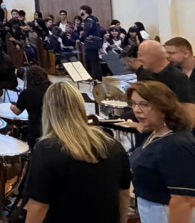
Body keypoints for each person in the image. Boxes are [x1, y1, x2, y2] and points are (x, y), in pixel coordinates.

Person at [23, 82, 130, 223]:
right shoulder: (113, 145)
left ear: (48, 110)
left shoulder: (46, 149)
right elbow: (124, 193)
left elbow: (38, 206)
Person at [127, 81, 195, 223]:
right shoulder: (152, 134)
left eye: (145, 104)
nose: (137, 110)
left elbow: (184, 200)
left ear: (163, 106)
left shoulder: (176, 144)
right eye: (133, 103)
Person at [138, 40, 195, 123]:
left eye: (171, 53)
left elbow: (189, 110)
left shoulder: (177, 76)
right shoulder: (144, 74)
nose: (167, 56)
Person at [11, 66, 50, 147]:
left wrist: (11, 106)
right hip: (51, 128)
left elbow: (17, 111)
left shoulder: (27, 93)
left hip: (35, 130)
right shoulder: (52, 88)